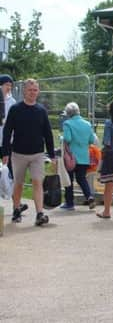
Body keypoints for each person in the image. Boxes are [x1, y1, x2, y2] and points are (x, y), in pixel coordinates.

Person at [2, 78, 55, 226]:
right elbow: (7, 132)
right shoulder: (16, 109)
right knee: (18, 183)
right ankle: (16, 209)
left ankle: (39, 214)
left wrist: (51, 154)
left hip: (37, 154)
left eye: (35, 90)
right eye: (30, 90)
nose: (32, 93)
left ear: (38, 92)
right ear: (24, 91)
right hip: (18, 153)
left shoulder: (41, 110)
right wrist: (5, 152)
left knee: (38, 182)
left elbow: (48, 133)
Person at [61, 102, 96, 210]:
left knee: (69, 179)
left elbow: (67, 139)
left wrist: (60, 138)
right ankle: (89, 196)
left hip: (71, 157)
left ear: (68, 113)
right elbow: (91, 140)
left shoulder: (67, 123)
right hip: (84, 157)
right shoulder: (87, 124)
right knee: (81, 178)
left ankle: (69, 203)